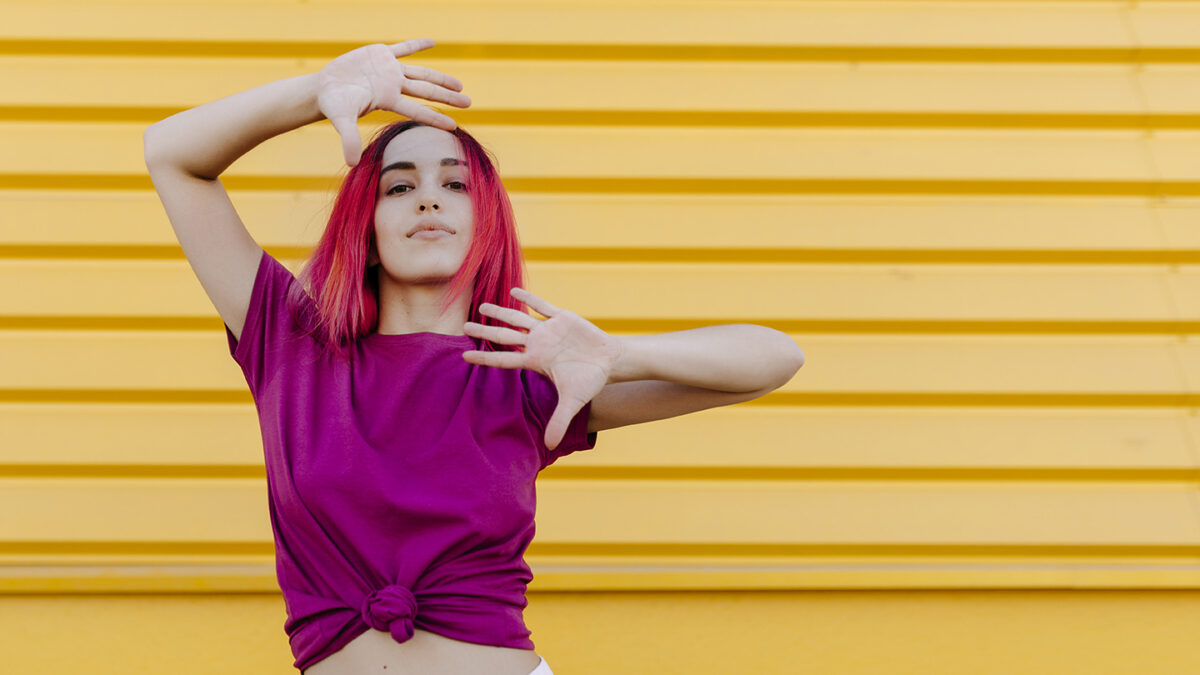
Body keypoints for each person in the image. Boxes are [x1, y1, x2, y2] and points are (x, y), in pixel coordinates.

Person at [143, 39, 804, 675]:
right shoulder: (290, 345)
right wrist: (317, 93)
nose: (428, 197)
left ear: (484, 223)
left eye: (453, 184)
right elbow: (171, 153)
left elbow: (775, 358)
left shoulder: (527, 373)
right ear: (365, 231)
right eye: (398, 188)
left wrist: (620, 353)